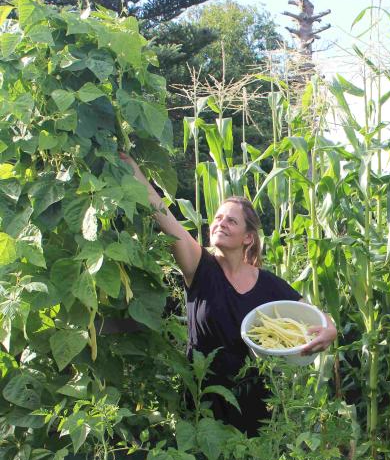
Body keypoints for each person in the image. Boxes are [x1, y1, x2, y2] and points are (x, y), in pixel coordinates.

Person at [119, 152, 337, 435]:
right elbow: (162, 213)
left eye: (231, 221)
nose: (220, 223)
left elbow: (317, 318)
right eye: (218, 218)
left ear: (248, 237)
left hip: (252, 403)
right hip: (202, 402)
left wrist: (329, 330)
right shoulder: (199, 266)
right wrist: (131, 166)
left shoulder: (268, 284)